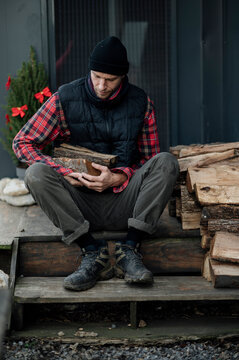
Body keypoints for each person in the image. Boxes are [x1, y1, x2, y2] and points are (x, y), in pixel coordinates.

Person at [13, 36, 179, 291]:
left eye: (110, 79)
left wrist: (120, 176)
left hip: (126, 203)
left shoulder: (141, 103)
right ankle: (92, 252)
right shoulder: (64, 99)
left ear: (123, 76)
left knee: (166, 162)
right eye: (96, 76)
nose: (101, 85)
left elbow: (149, 160)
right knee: (35, 174)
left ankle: (129, 250)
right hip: (79, 203)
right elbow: (22, 142)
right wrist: (65, 171)